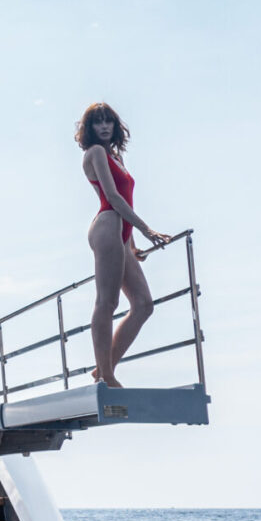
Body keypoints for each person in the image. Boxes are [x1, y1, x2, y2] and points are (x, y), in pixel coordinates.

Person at [75, 102, 171, 388]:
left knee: (143, 304)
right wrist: (146, 228)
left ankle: (103, 369)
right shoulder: (96, 152)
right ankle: (107, 375)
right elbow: (114, 198)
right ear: (90, 128)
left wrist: (132, 243)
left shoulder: (116, 156)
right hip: (107, 225)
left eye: (109, 121)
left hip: (123, 232)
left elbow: (126, 200)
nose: (104, 126)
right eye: (98, 122)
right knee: (107, 301)